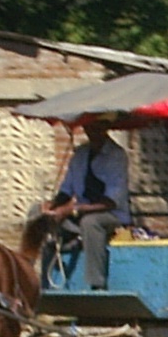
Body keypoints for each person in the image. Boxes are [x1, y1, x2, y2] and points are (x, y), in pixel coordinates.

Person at [47, 117, 132, 289]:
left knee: (91, 223)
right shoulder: (80, 154)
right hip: (79, 214)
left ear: (105, 128)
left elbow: (111, 202)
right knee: (38, 214)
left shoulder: (116, 156)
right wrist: (52, 206)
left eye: (97, 127)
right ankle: (38, 276)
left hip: (112, 216)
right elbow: (66, 190)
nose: (92, 131)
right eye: (89, 127)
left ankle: (97, 284)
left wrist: (74, 209)